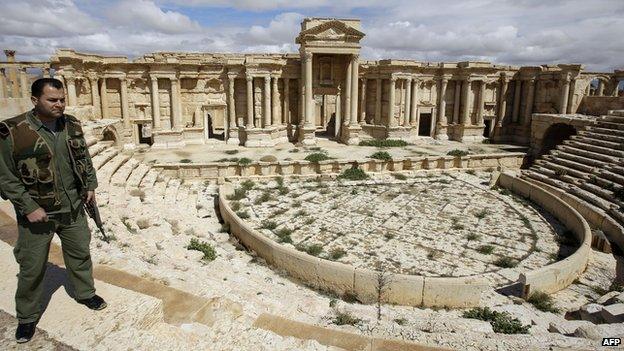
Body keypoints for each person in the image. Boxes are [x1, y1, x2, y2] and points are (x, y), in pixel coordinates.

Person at [0, 78, 107, 343]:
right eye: (52, 100)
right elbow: (5, 177)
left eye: (61, 99)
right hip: (38, 213)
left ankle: (85, 293)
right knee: (32, 266)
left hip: (72, 208)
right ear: (35, 100)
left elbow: (83, 158)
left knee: (80, 254)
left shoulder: (71, 124)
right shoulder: (13, 131)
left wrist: (90, 185)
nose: (59, 104)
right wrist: (28, 207)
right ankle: (26, 317)